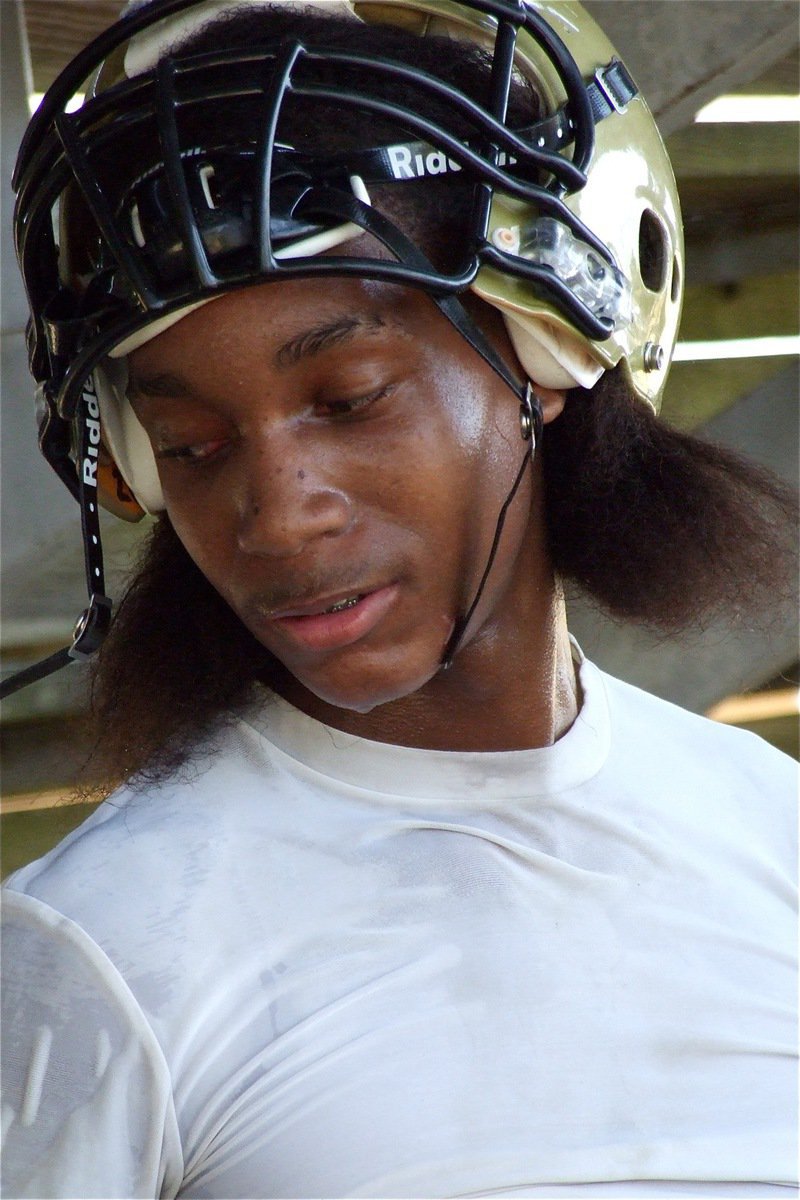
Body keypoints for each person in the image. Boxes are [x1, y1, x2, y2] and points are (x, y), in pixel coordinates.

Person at [2, 1, 796, 1196]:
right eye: (194, 444)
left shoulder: (770, 827)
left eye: (349, 398)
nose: (278, 513)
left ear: (546, 348)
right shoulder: (100, 955)